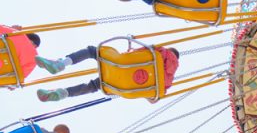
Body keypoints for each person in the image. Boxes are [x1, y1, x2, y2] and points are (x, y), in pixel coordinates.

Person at [36, 45, 179, 103]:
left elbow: (140, 51)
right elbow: (154, 98)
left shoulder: (161, 51)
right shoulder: (168, 82)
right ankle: (63, 94)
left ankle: (61, 64)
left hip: (121, 64)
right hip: (123, 85)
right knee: (96, 85)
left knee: (93, 51)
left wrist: (131, 50)